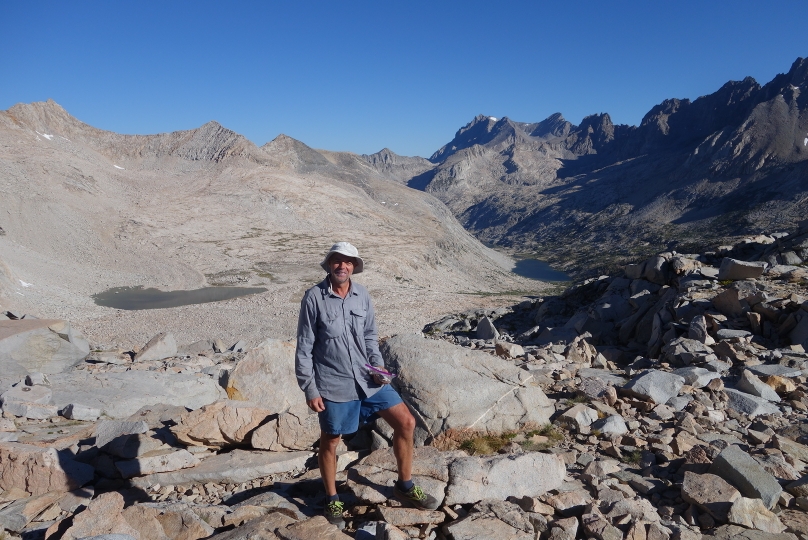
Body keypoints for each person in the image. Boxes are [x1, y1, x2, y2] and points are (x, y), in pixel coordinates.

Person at [295, 242, 438, 527]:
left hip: (368, 379)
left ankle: (405, 485)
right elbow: (304, 347)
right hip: (333, 382)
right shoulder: (314, 298)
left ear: (354, 267)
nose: (342, 266)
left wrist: (379, 366)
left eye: (348, 262)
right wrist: (310, 388)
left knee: (406, 422)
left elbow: (370, 336)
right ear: (329, 264)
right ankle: (332, 498)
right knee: (332, 440)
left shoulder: (362, 295)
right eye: (337, 261)